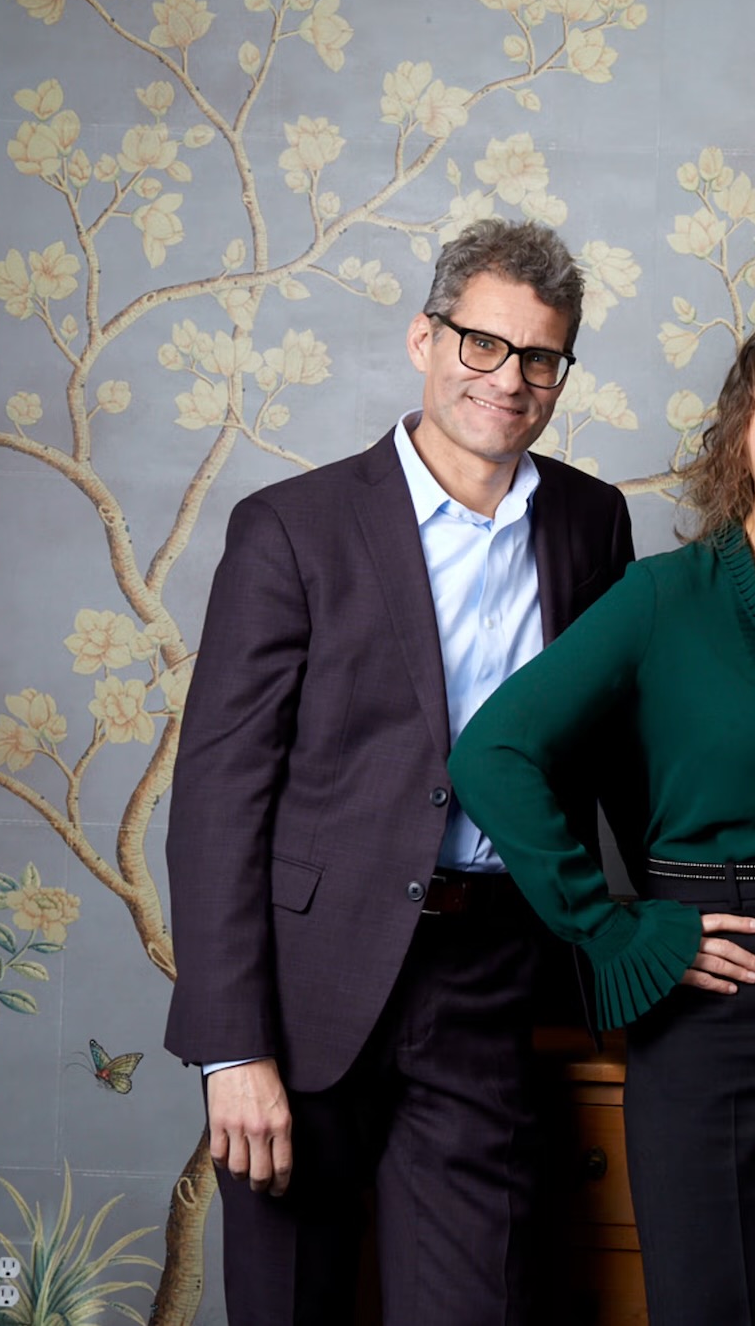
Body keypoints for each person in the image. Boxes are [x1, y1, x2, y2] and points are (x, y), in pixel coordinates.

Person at [163, 218, 637, 1325]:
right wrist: (232, 1046)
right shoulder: (291, 527)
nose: (508, 379)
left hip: (488, 975)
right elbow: (219, 798)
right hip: (301, 989)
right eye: (481, 343)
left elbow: (619, 754)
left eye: (539, 357)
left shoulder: (588, 524)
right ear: (424, 338)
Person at [447, 311, 755, 1324]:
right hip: (720, 993)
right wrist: (617, 928)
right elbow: (490, 755)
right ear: (739, 435)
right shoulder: (661, 600)